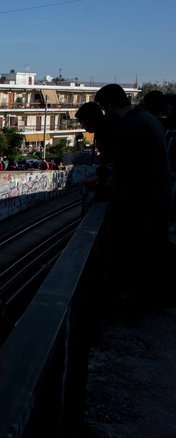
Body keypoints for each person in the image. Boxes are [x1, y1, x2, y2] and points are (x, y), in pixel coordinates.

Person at [94, 83, 172, 295]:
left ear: (108, 105)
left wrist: (111, 182)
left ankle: (139, 299)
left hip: (142, 204)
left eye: (103, 108)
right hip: (158, 199)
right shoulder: (148, 120)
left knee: (140, 256)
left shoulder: (131, 128)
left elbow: (131, 173)